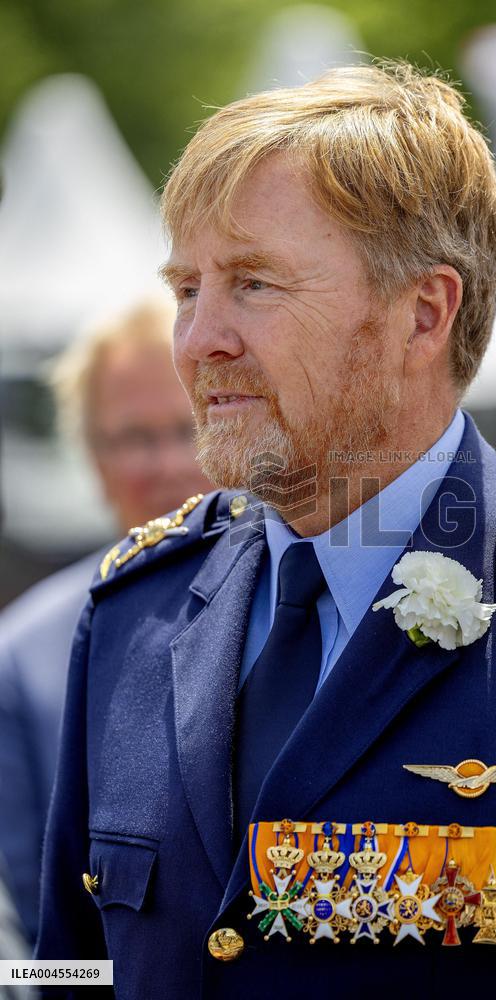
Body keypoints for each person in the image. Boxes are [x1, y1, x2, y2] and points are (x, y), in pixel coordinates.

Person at [36, 63, 496, 999]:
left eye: (255, 284)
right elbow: (72, 966)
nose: (198, 341)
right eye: (187, 289)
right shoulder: (132, 613)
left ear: (423, 312)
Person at [0, 300, 211, 945]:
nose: (168, 465)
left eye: (190, 429)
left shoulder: (308, 607)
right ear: (90, 458)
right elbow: (34, 953)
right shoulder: (24, 655)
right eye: (133, 438)